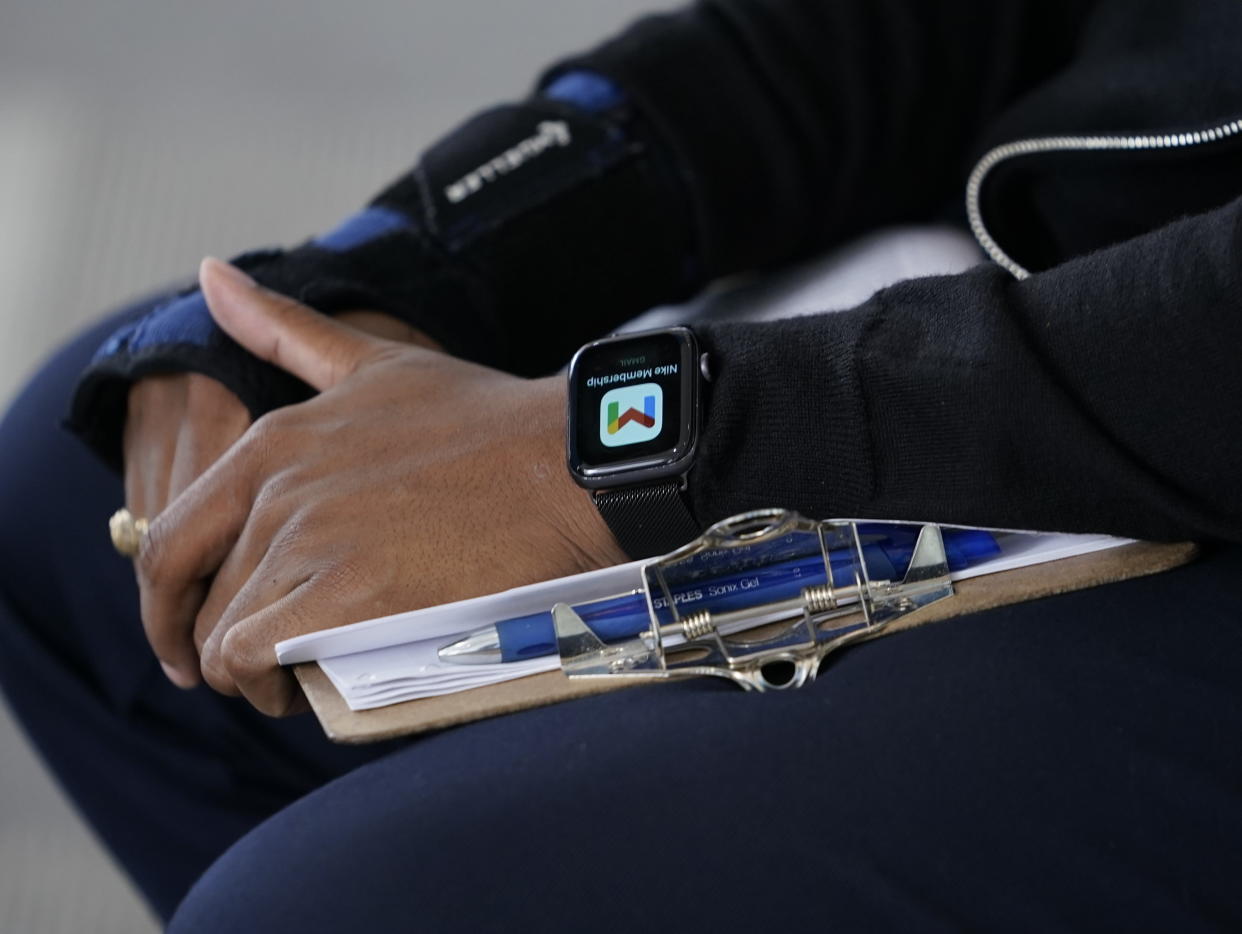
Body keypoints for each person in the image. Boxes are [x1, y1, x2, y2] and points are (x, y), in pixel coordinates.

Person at [2, 0, 1240, 929]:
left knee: (331, 906)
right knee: (81, 480)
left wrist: (626, 447)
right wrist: (411, 263)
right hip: (1049, 290)